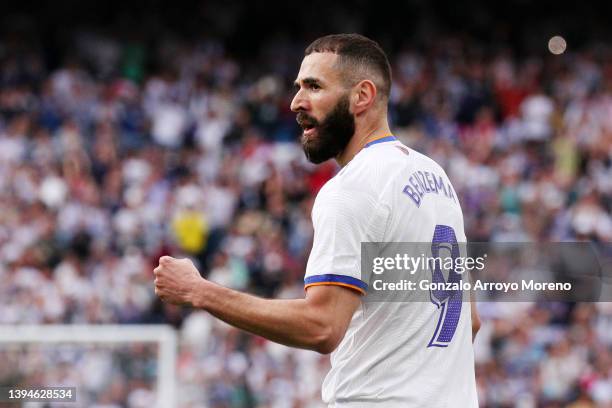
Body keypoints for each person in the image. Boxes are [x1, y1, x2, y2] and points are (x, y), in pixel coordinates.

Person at [154, 33, 480, 407]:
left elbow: (322, 326)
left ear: (362, 96)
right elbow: (469, 322)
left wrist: (200, 292)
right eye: (298, 88)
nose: (295, 102)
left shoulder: (353, 188)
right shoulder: (437, 179)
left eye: (314, 86)